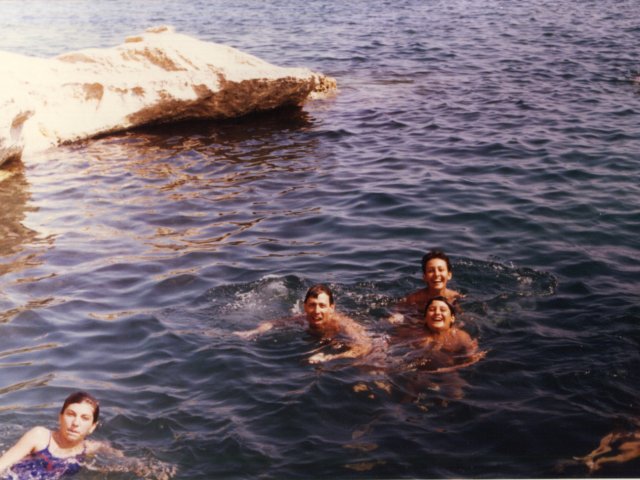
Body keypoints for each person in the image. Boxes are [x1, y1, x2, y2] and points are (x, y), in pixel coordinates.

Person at [234, 284, 373, 364]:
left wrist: (329, 357)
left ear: (332, 308)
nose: (317, 311)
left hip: (342, 343)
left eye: (322, 306)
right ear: (305, 306)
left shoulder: (344, 324)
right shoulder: (301, 318)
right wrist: (253, 332)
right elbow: (272, 323)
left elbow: (366, 346)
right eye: (312, 305)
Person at [0, 391, 104, 479]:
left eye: (84, 418)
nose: (76, 423)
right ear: (60, 417)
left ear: (92, 427)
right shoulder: (40, 437)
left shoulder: (89, 448)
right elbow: (3, 464)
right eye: (70, 414)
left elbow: (117, 459)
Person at [391, 296, 482, 373]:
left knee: (456, 391)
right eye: (432, 309)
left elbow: (472, 358)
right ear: (425, 318)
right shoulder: (415, 333)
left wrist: (446, 369)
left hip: (450, 372)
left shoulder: (461, 337)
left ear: (452, 318)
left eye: (442, 310)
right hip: (419, 372)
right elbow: (391, 342)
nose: (437, 313)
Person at [389, 250, 462, 324]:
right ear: (424, 277)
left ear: (449, 275)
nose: (436, 274)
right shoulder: (415, 299)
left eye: (441, 270)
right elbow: (396, 311)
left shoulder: (455, 297)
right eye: (431, 271)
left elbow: (460, 317)